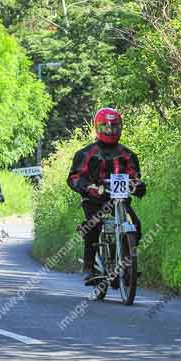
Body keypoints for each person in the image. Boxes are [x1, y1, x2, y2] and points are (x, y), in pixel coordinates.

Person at [67, 108, 146, 284]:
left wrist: (138, 186)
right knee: (92, 226)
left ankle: (127, 265)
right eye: (105, 127)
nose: (110, 131)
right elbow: (74, 177)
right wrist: (86, 185)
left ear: (120, 128)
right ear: (97, 128)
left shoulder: (128, 155)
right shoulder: (86, 153)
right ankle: (89, 267)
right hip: (94, 199)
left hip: (120, 200)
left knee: (135, 225)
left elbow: (134, 176)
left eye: (114, 127)